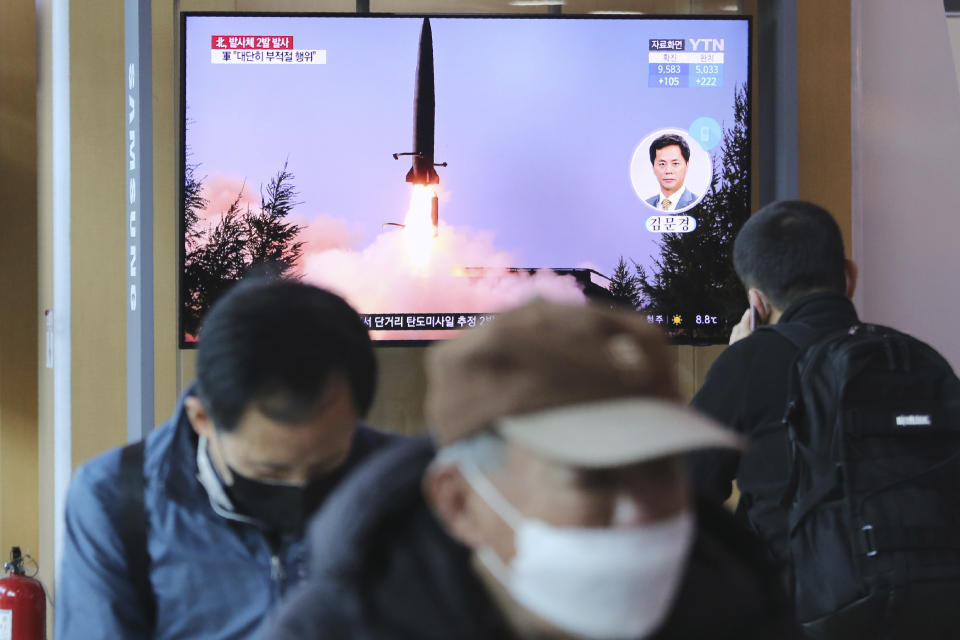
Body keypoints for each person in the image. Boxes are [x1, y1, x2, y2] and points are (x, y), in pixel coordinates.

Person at [261, 299, 797, 640]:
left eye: (660, 472)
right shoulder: (337, 628)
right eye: (591, 477)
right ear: (460, 502)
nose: (641, 514)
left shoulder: (742, 606)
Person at [55, 279, 399, 640]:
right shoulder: (114, 499)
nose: (300, 489)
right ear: (202, 419)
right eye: (270, 470)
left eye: (326, 465)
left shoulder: (406, 486)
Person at [688, 200, 960, 638]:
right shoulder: (919, 358)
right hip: (940, 609)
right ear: (849, 276)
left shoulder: (749, 362)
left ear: (755, 303)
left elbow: (684, 492)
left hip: (809, 616)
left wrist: (740, 355)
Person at [645, 133, 699, 212]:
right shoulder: (646, 204)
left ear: (687, 165)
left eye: (675, 163)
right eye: (662, 164)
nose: (668, 171)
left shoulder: (698, 203)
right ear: (653, 167)